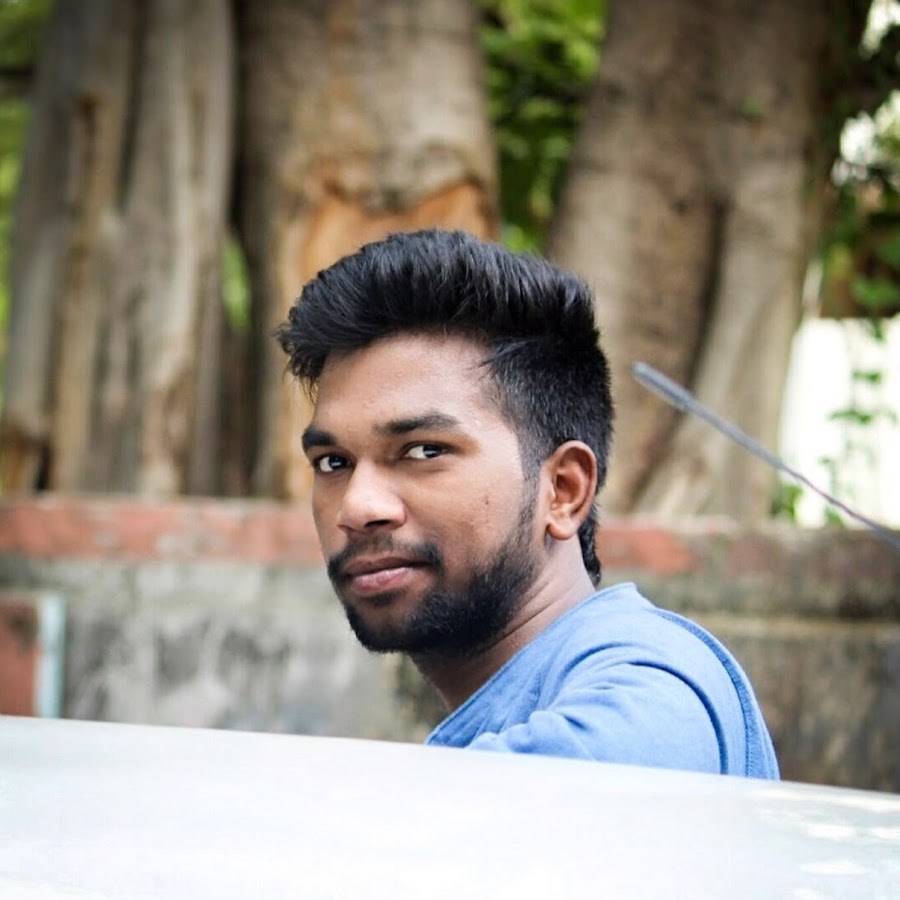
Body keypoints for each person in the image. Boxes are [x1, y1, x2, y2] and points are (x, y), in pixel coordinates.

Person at [277, 229, 779, 779]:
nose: (356, 506)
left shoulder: (649, 697)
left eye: (424, 451)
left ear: (562, 490)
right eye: (333, 462)